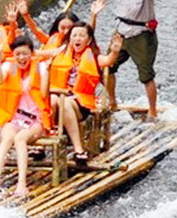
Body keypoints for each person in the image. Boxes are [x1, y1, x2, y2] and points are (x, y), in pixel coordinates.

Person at [90, 0, 160, 118]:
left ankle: (152, 111)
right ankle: (113, 101)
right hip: (120, 32)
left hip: (141, 33)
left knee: (146, 75)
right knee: (106, 67)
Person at [49, 22, 123, 162]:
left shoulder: (93, 56)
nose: (78, 38)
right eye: (74, 35)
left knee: (66, 103)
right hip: (59, 97)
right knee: (51, 99)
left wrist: (115, 52)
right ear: (69, 38)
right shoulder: (60, 53)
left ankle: (78, 149)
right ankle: (41, 144)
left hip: (79, 103)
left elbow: (107, 61)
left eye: (82, 36)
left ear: (88, 40)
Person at [0, 36, 52, 196]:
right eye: (18, 54)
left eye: (25, 54)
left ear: (31, 53)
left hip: (36, 119)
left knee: (20, 138)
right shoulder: (8, 66)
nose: (21, 58)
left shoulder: (41, 67)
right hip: (15, 116)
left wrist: (48, 74)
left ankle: (21, 184)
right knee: (7, 137)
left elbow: (44, 93)